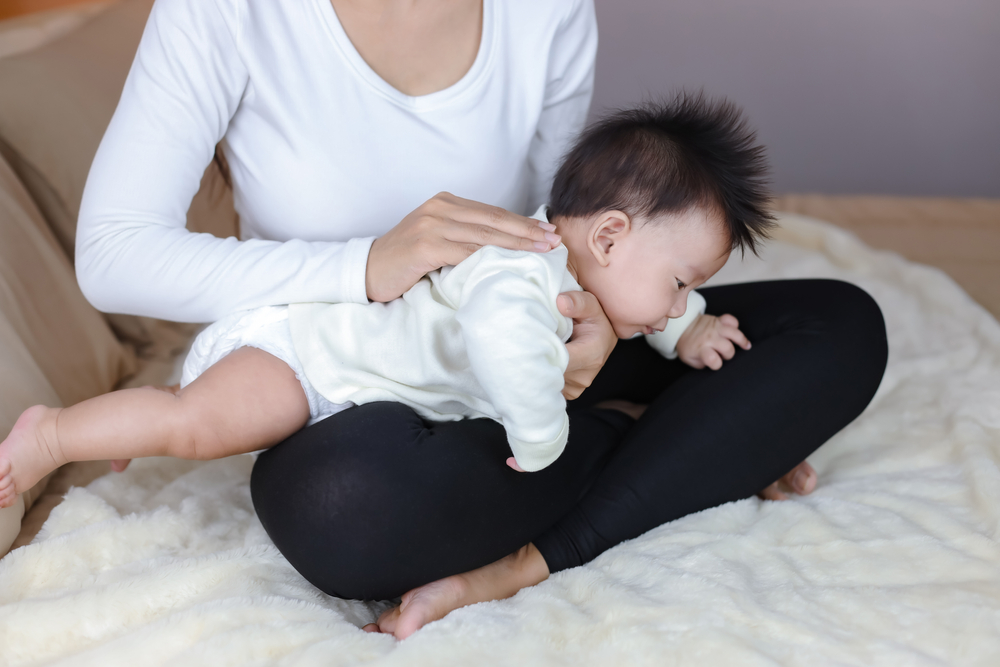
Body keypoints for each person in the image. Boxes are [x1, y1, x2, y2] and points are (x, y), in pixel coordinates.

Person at [51, 0, 885, 641]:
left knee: (840, 324)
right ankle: (682, 444)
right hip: (359, 388)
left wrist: (590, 324)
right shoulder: (227, 13)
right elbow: (114, 254)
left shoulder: (546, 10)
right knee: (341, 506)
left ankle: (543, 544)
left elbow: (572, 226)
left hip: (530, 346)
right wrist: (367, 264)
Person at [0, 96, 766, 503]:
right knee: (195, 424)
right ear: (608, 235)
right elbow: (504, 344)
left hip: (353, 383)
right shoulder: (520, 272)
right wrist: (542, 437)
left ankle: (128, 423)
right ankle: (52, 435)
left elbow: (641, 299)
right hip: (310, 362)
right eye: (682, 284)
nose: (679, 301)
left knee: (180, 411)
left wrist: (689, 330)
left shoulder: (584, 267)